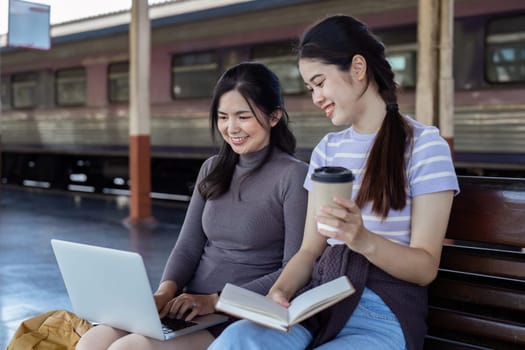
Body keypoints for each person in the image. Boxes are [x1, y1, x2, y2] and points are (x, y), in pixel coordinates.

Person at [209, 15, 459, 350]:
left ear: (358, 68)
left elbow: (425, 267)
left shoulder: (426, 147)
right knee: (237, 340)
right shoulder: (329, 149)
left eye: (320, 82)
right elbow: (311, 249)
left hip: (384, 313)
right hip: (319, 303)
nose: (316, 98)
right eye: (311, 88)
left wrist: (361, 238)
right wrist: (279, 293)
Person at [76, 62, 308, 350]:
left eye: (243, 117)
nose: (231, 128)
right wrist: (164, 293)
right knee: (92, 342)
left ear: (274, 116)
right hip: (188, 307)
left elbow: (293, 271)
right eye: (222, 117)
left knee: (131, 348)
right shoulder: (213, 168)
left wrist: (215, 301)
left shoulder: (294, 176)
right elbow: (188, 246)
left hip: (237, 314)